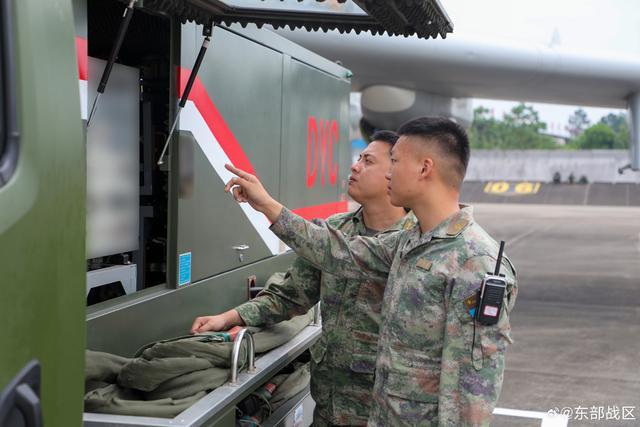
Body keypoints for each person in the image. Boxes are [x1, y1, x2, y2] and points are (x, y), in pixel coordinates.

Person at [221, 117, 517, 426]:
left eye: (396, 161)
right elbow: (337, 251)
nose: (390, 171)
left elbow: (470, 392)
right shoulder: (409, 242)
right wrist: (268, 206)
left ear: (425, 168)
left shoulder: (474, 262)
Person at [191, 131, 416, 426]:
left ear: (394, 172)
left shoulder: (415, 242)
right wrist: (229, 317)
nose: (355, 166)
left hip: (384, 413)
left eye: (368, 161)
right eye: (358, 158)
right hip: (329, 408)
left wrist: (267, 205)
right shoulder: (337, 230)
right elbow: (291, 295)